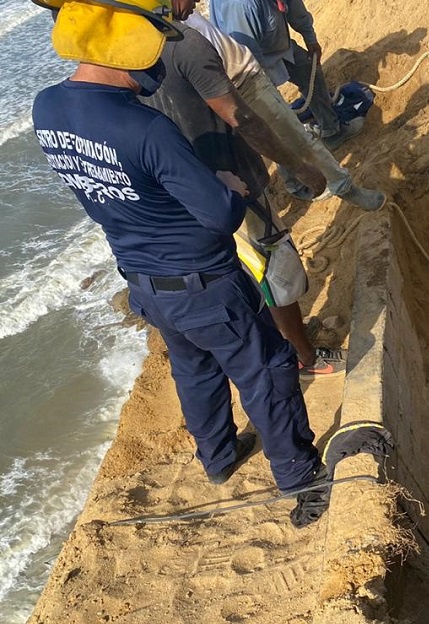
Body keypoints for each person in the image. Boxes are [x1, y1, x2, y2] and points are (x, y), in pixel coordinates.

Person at [31, 0, 327, 525]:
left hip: (143, 280)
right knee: (267, 369)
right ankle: (301, 481)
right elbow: (217, 216)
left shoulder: (46, 108)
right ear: (127, 50)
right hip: (206, 281)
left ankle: (217, 457)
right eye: (152, 47)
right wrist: (227, 187)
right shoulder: (145, 129)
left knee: (194, 368)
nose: (158, 62)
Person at [140, 17, 345, 376]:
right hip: (233, 182)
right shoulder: (186, 43)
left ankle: (275, 349)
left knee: (236, 274)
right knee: (274, 268)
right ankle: (303, 357)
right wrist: (299, 166)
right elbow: (241, 118)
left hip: (181, 192)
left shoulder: (125, 53)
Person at [182, 8, 383, 208]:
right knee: (283, 141)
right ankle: (318, 186)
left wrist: (309, 37)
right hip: (231, 86)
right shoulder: (239, 8)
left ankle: (340, 176)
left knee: (294, 136)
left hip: (248, 75)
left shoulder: (179, 13)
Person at [211, 0, 363, 151]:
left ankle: (332, 131)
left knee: (309, 70)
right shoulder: (242, 6)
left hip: (278, 46)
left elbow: (297, 11)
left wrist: (310, 39)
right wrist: (266, 90)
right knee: (274, 115)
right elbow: (247, 58)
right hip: (250, 62)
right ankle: (293, 167)